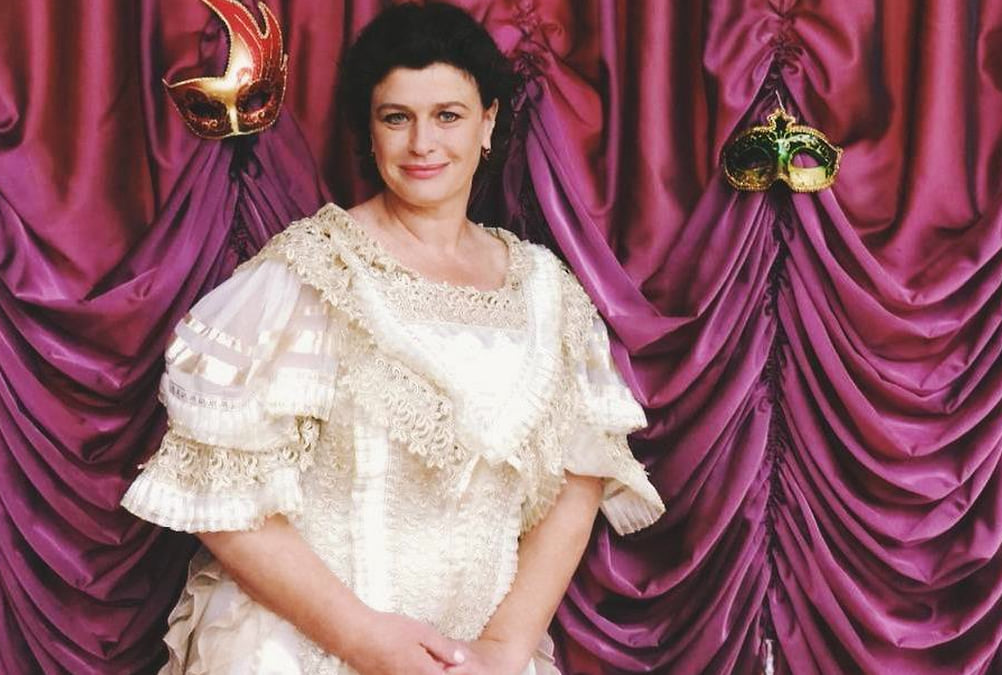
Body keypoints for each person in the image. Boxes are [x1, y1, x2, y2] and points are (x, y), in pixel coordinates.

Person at [121, 3, 665, 673]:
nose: (422, 144)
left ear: (488, 122)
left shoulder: (548, 292)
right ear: (371, 132)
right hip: (304, 650)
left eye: (448, 115)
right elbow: (222, 497)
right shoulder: (312, 272)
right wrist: (363, 639)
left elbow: (579, 483)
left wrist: (503, 648)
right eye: (397, 117)